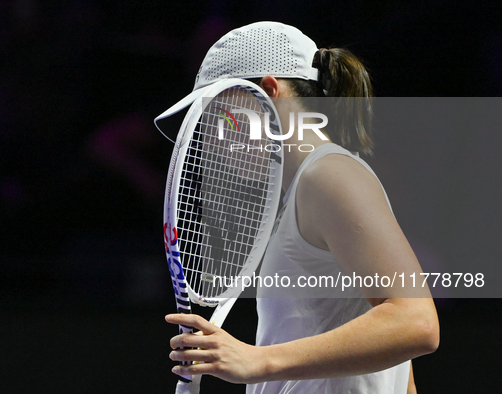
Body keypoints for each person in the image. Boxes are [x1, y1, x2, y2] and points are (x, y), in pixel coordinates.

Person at [160, 21, 439, 393]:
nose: (210, 140)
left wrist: (255, 360)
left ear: (268, 91)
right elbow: (398, 365)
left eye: (218, 115)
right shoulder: (303, 188)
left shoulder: (329, 175)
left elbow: (415, 322)